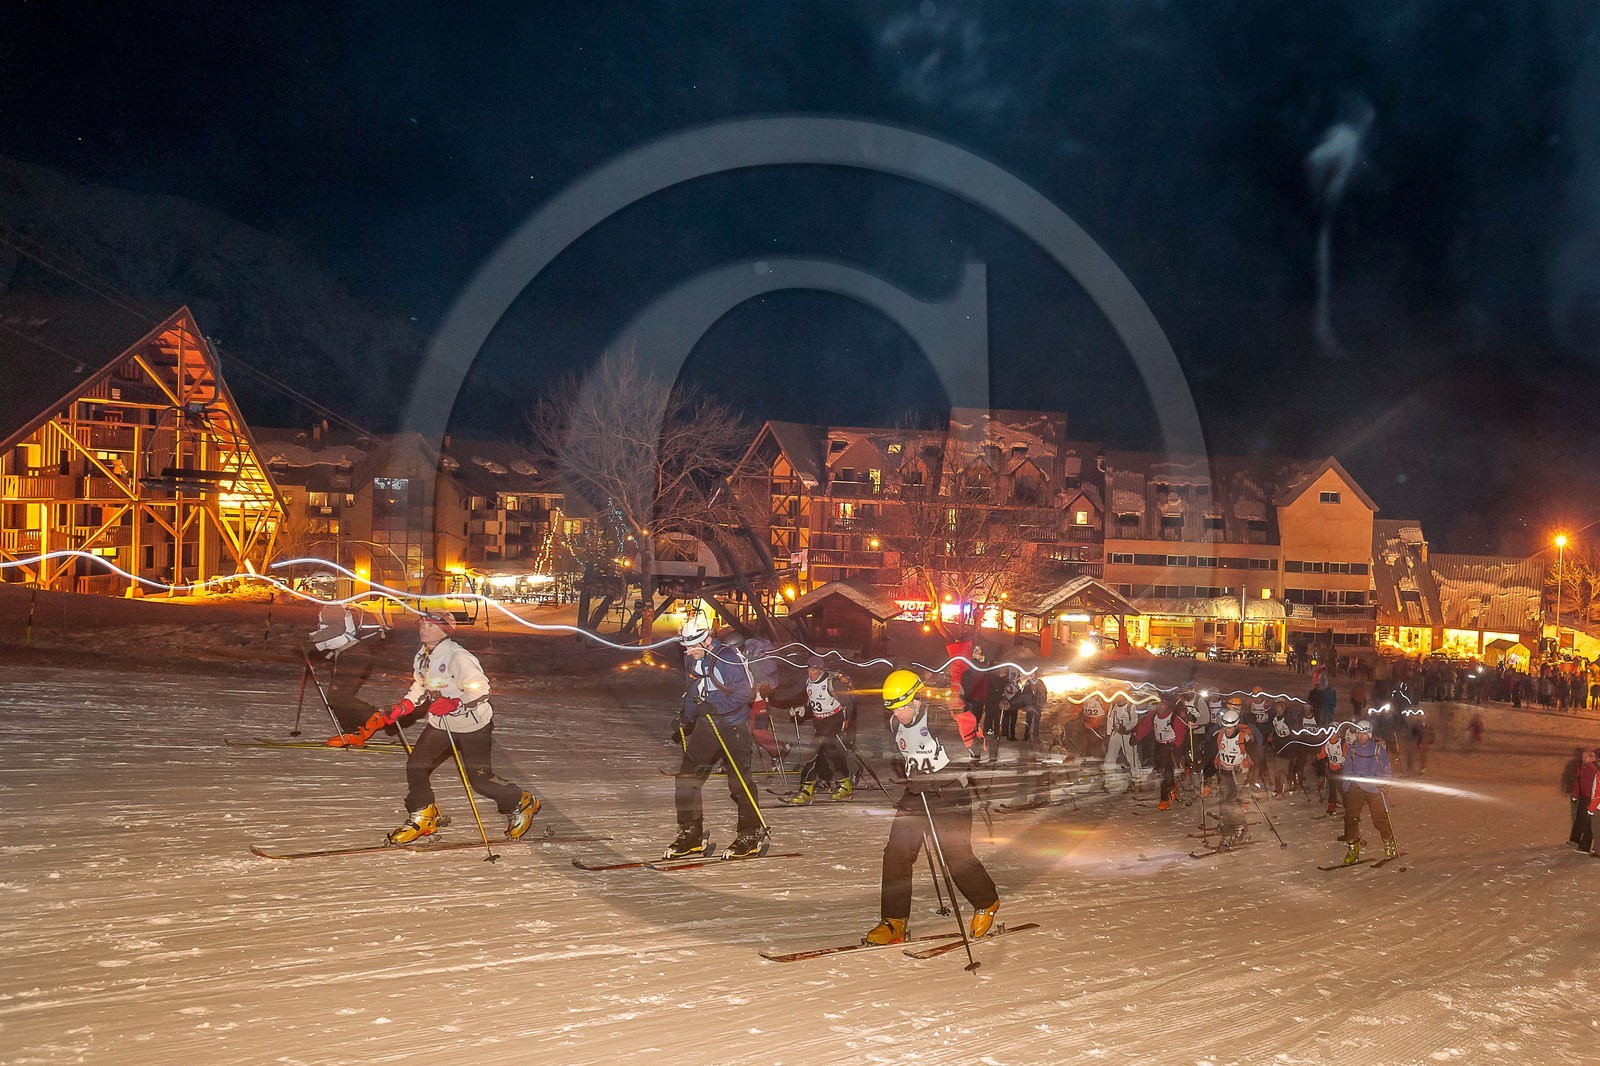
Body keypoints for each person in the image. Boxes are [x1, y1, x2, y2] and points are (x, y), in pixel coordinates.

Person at [863, 669, 1001, 946]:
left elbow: (966, 758)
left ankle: (987, 901)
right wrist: (905, 771)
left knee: (955, 854)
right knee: (896, 853)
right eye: (892, 708)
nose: (897, 714)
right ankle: (894, 920)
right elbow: (905, 754)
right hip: (917, 793)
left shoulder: (940, 718)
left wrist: (933, 779)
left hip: (950, 795)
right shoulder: (895, 723)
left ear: (916, 699)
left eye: (902, 706)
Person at [385, 611, 539, 845]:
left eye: (430, 626)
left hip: (472, 724)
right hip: (441, 723)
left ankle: (520, 800)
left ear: (445, 630)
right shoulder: (423, 655)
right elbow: (421, 684)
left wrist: (456, 701)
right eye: (422, 624)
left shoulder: (458, 656)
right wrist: (405, 705)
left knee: (480, 781)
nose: (423, 629)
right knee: (416, 766)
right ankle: (424, 814)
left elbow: (480, 689)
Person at [666, 612, 765, 860]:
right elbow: (693, 690)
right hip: (707, 725)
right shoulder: (692, 659)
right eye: (685, 647)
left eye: (691, 646)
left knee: (739, 783)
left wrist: (716, 707)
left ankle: (749, 834)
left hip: (733, 725)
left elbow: (746, 694)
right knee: (686, 779)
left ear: (707, 639)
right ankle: (691, 835)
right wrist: (687, 716)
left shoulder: (727, 658)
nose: (687, 652)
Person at [779, 654, 857, 805]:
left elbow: (849, 703)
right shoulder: (809, 682)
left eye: (814, 670)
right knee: (830, 753)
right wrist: (802, 710)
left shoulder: (832, 683)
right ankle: (844, 784)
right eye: (809, 669)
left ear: (821, 670)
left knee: (812, 752)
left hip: (834, 720)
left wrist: (846, 723)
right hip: (820, 722)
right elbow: (812, 704)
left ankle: (806, 788)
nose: (811, 673)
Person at [1339, 720, 1397, 864]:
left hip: (1373, 787)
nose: (1360, 736)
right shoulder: (1352, 749)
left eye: (1363, 733)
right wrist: (1346, 787)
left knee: (1379, 818)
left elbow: (1387, 770)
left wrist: (1384, 784)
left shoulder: (1378, 749)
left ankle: (1389, 841)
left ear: (1369, 734)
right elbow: (1347, 768)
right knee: (1351, 818)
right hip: (1356, 786)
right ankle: (1353, 848)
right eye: (1358, 733)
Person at [1134, 699, 1188, 811]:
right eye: (1158, 705)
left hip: (1172, 747)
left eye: (1162, 705)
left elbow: (1181, 731)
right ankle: (1173, 787)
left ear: (1166, 705)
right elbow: (1145, 726)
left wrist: (1176, 745)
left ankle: (1164, 798)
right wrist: (1137, 737)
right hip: (1159, 746)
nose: (1160, 707)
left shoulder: (1173, 717)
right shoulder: (1153, 715)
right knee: (1161, 769)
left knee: (1168, 772)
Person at [1212, 704, 1253, 848]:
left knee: (1232, 802)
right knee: (1223, 802)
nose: (1227, 730)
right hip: (1224, 771)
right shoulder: (1220, 735)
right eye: (1225, 727)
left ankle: (1239, 826)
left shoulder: (1243, 738)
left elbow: (1254, 754)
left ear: (1235, 726)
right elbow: (1216, 751)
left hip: (1238, 773)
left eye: (1229, 727)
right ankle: (1227, 827)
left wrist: (1253, 770)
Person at [1102, 693, 1142, 790]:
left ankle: (1137, 780)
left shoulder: (1130, 706)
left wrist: (1125, 728)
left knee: (1131, 757)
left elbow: (1134, 721)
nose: (1118, 700)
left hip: (1127, 735)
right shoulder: (1113, 705)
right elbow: (1110, 719)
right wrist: (1108, 734)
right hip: (1116, 734)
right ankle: (1110, 779)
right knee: (1110, 757)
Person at [1321, 722, 1353, 817]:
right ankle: (1332, 804)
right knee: (1332, 788)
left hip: (1341, 769)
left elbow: (1347, 756)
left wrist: (1345, 763)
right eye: (1330, 731)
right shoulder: (1326, 743)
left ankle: (1348, 805)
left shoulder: (1342, 743)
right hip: (1331, 768)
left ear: (1338, 732)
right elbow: (1323, 753)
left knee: (1341, 788)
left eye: (1334, 731)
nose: (1332, 734)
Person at [1569, 748, 1597, 853]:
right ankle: (1575, 838)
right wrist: (1575, 794)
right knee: (1581, 817)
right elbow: (1578, 780)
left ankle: (1586, 845)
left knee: (1589, 821)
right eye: (1584, 757)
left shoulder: (1593, 768)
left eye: (1587, 757)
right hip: (1584, 796)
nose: (1585, 759)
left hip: (1591, 797)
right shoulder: (1582, 766)